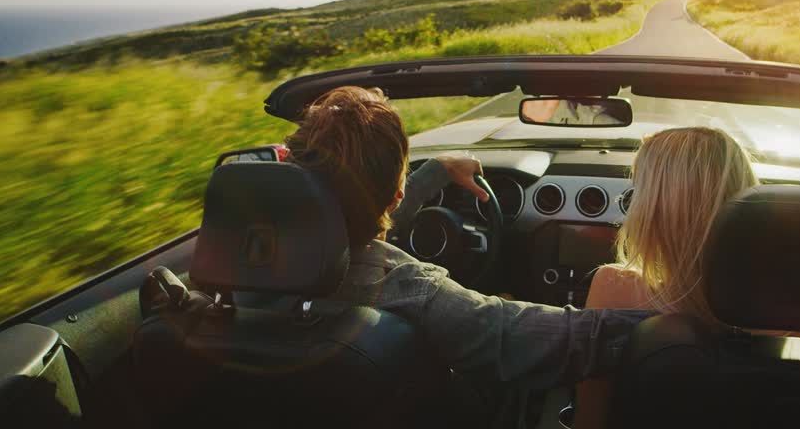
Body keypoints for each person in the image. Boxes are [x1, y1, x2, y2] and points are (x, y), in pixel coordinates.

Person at [281, 85, 652, 422]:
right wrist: (681, 321)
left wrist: (436, 171)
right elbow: (558, 339)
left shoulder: (241, 265)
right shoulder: (411, 291)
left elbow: (351, 212)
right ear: (396, 197)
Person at [573, 126, 757, 429]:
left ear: (655, 208)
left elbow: (590, 418)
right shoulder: (790, 311)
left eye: (639, 190)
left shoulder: (615, 286)